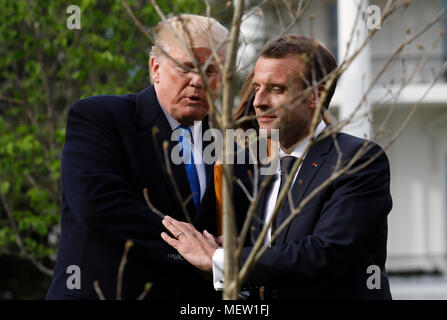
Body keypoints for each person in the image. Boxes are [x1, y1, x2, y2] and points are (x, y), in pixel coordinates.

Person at [160, 34, 393, 300]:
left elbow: (324, 254)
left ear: (316, 96)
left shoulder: (358, 159)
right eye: (257, 87)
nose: (258, 101)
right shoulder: (260, 166)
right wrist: (237, 249)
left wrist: (220, 259)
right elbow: (276, 253)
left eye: (277, 89)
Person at [46, 14, 250, 300]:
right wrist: (191, 250)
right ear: (155, 68)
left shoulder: (229, 148)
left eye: (210, 71)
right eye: (186, 67)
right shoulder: (100, 117)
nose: (197, 81)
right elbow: (99, 204)